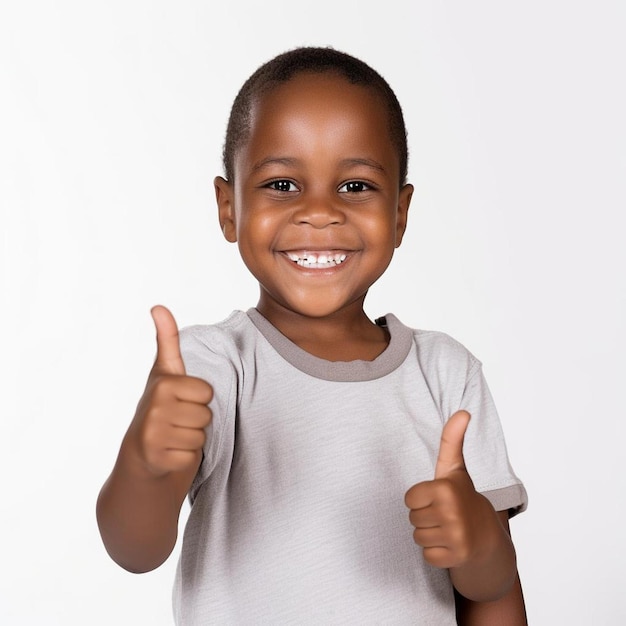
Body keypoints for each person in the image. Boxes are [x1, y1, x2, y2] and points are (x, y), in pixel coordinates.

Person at [97, 47, 528, 624]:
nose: (320, 212)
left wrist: (481, 546)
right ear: (229, 208)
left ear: (400, 214)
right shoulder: (212, 367)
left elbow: (496, 597)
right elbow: (135, 549)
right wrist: (147, 463)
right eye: (282, 184)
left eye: (354, 187)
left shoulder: (447, 375)